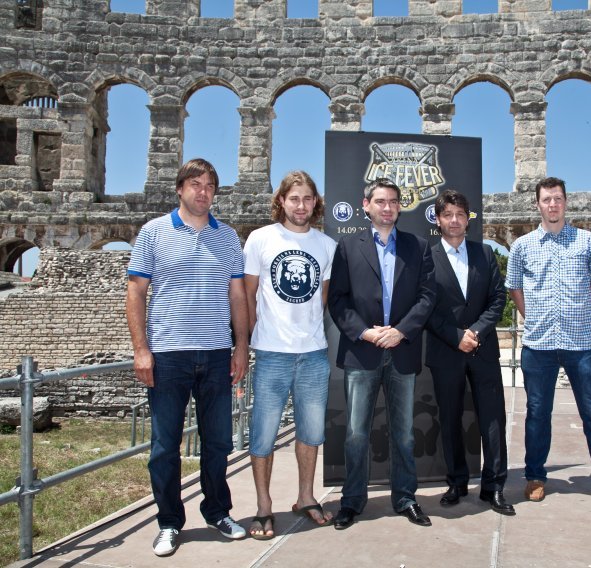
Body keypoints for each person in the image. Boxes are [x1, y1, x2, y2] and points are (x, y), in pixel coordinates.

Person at [126, 158, 249, 557]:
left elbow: (236, 295)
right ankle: (169, 522)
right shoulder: (153, 232)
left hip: (215, 353)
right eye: (195, 184)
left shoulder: (227, 237)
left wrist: (241, 346)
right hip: (168, 354)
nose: (203, 191)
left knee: (218, 442)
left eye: (209, 185)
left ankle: (217, 512)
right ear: (179, 189)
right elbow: (136, 291)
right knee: (165, 446)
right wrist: (141, 350)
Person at [505, 176, 591, 513]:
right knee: (537, 414)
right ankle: (535, 476)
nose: (552, 204)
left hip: (580, 342)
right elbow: (514, 287)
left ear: (566, 202)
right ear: (537, 204)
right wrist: (533, 316)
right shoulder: (522, 246)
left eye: (557, 198)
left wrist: (585, 313)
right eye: (546, 199)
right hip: (539, 343)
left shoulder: (587, 241)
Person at [328, 178, 436, 529]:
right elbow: (338, 300)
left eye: (392, 201)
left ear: (399, 206)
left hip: (402, 350)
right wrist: (366, 332)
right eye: (380, 201)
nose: (387, 207)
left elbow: (427, 297)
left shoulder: (418, 247)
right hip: (362, 352)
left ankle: (405, 498)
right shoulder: (347, 247)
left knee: (404, 434)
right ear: (366, 205)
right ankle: (352, 501)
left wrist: (401, 331)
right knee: (356, 434)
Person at [242, 171, 336, 539]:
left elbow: (322, 300)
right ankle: (264, 506)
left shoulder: (326, 246)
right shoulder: (260, 239)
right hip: (271, 354)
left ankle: (306, 497)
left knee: (311, 433)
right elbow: (248, 294)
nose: (301, 205)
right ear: (281, 200)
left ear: (316, 203)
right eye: (294, 198)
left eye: (307, 198)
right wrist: (254, 339)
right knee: (263, 435)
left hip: (312, 354)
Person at [425, 190, 514, 516]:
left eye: (460, 215)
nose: (454, 220)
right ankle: (457, 482)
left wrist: (474, 332)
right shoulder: (426, 257)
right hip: (445, 351)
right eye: (448, 214)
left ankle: (494, 487)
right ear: (438, 219)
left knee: (493, 419)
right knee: (449, 419)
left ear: (467, 219)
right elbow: (424, 305)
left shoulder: (485, 253)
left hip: (482, 349)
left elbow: (498, 299)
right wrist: (455, 336)